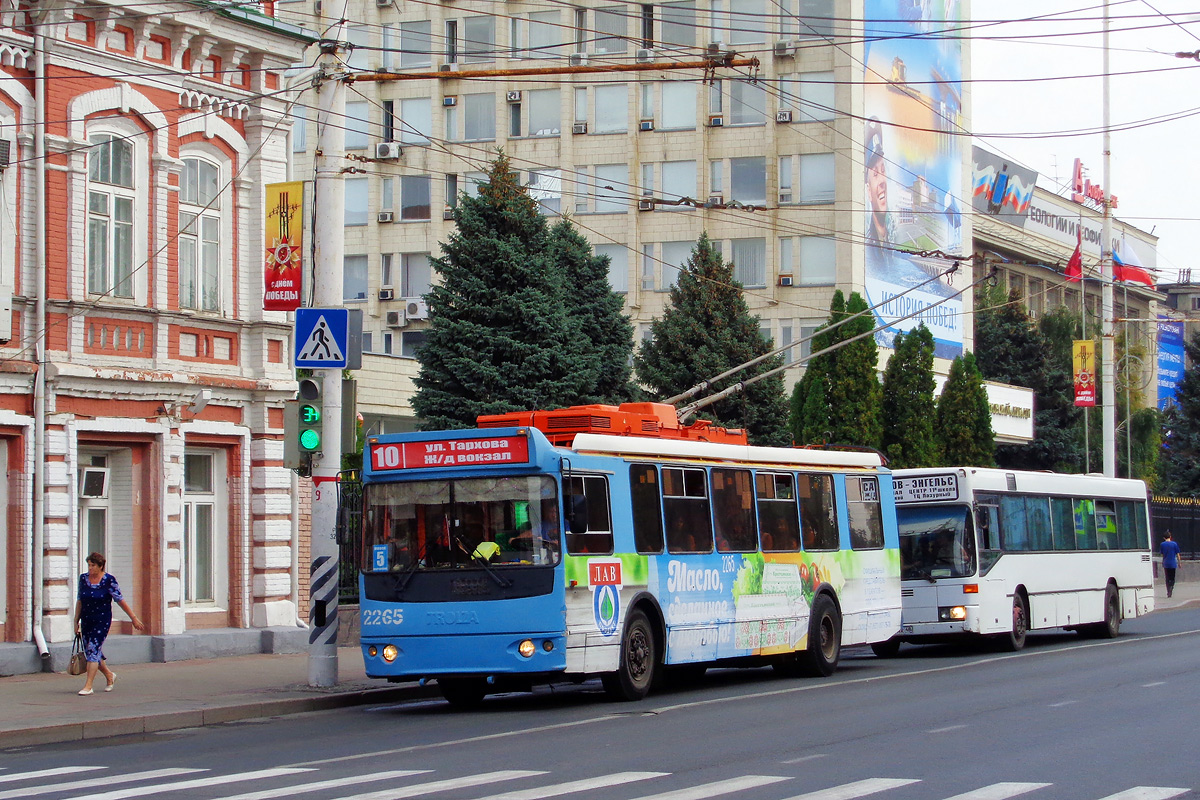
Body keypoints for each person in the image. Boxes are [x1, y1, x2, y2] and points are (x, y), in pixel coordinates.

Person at [73, 552, 145, 696]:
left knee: (93, 649)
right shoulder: (83, 579)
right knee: (91, 652)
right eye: (89, 565)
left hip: (102, 620)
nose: (90, 568)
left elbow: (120, 600)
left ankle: (88, 686)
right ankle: (109, 675)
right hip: (87, 619)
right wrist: (76, 621)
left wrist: (133, 618)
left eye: (93, 565)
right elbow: (80, 600)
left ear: (101, 566)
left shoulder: (109, 580)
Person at [1161, 531, 1181, 599]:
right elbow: (1177, 554)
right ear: (1170, 537)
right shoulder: (1174, 544)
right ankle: (1171, 588)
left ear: (1164, 538)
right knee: (1172, 577)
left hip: (1166, 563)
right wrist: (1179, 562)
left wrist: (1163, 562)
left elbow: (1162, 554)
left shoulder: (1162, 544)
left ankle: (1168, 590)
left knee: (1167, 577)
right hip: (1173, 563)